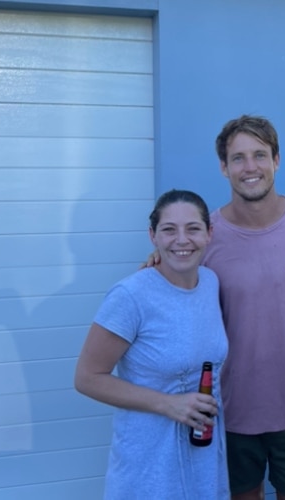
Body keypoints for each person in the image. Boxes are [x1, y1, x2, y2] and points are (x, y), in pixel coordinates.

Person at [147, 115, 285, 500]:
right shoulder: (205, 237)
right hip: (230, 409)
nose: (250, 167)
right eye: (238, 158)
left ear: (276, 160)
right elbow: (170, 299)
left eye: (260, 155)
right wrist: (154, 267)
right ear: (223, 167)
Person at [75, 189, 230, 499]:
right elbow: (87, 378)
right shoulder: (130, 296)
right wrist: (169, 404)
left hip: (203, 457)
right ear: (153, 236)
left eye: (193, 228)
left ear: (209, 234)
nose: (181, 239)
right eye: (169, 230)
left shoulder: (211, 283)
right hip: (149, 466)